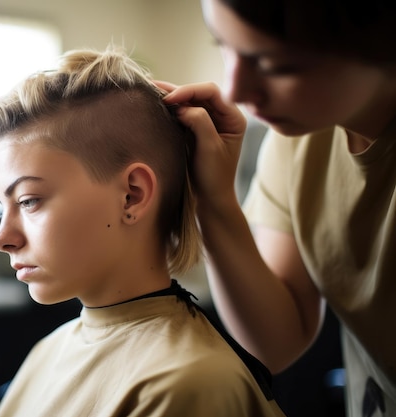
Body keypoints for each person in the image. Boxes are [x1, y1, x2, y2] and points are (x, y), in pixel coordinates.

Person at [0, 45, 286, 417]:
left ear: (131, 196)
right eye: (2, 207)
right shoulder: (47, 352)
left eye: (28, 201)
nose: (1, 237)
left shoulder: (188, 385)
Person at [157, 0, 396, 416]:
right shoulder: (297, 139)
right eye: (224, 46)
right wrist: (212, 200)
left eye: (277, 65)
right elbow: (277, 341)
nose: (234, 90)